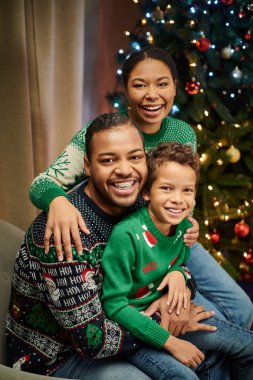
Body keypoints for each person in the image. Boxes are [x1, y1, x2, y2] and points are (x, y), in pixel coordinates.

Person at [28, 48, 253, 375]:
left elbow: (179, 191)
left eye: (162, 84)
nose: (151, 95)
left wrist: (188, 231)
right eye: (139, 85)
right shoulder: (105, 133)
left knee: (240, 308)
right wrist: (58, 201)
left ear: (175, 87)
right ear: (126, 91)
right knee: (212, 322)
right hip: (130, 241)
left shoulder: (182, 133)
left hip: (171, 239)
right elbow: (41, 184)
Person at [6, 113, 207, 379]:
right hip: (59, 355)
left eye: (135, 157)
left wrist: (177, 286)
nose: (124, 170)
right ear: (88, 166)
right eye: (108, 160)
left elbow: (172, 259)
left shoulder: (138, 204)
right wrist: (166, 325)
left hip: (127, 319)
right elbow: (92, 339)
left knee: (224, 348)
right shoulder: (61, 234)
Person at [100, 141, 253, 380]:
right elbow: (114, 306)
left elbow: (180, 260)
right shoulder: (127, 235)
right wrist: (168, 341)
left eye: (187, 190)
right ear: (147, 192)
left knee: (245, 347)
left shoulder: (182, 227)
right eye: (167, 188)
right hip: (136, 334)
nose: (178, 200)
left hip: (170, 317)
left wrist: (178, 275)